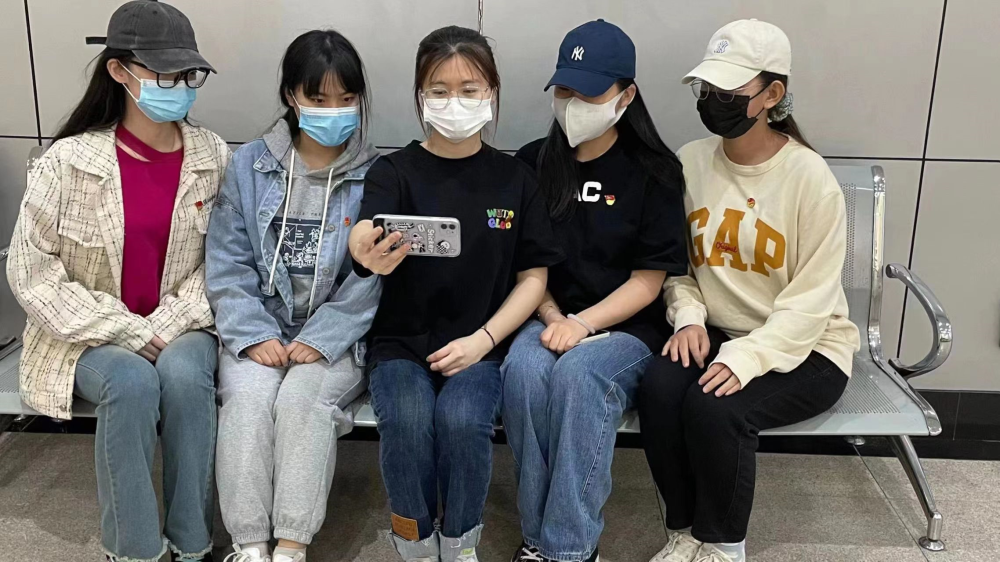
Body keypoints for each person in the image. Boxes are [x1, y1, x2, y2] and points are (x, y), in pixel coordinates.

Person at [6, 2, 227, 561]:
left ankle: (193, 544)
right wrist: (127, 330)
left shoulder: (212, 154)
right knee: (130, 382)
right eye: (164, 73)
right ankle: (134, 550)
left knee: (185, 375)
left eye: (188, 74)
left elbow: (226, 259)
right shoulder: (66, 161)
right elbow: (32, 272)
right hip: (85, 335)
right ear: (119, 71)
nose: (180, 86)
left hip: (184, 324)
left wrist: (165, 325)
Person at [638, 20, 861, 562]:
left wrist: (747, 358)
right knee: (660, 392)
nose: (712, 101)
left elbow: (811, 301)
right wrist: (688, 316)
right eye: (706, 89)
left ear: (772, 95)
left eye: (728, 91)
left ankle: (723, 545)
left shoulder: (809, 178)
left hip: (809, 346)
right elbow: (676, 265)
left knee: (717, 408)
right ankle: (685, 531)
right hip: (717, 330)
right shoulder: (691, 162)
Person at [347, 25, 563, 562]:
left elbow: (533, 278)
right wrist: (364, 248)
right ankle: (415, 542)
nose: (455, 102)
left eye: (470, 89)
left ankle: (461, 541)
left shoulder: (515, 178)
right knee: (407, 422)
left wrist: (482, 341)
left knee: (463, 423)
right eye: (439, 90)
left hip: (481, 345)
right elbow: (365, 228)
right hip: (401, 343)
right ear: (420, 96)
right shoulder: (394, 170)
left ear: (492, 92)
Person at [501, 20, 688, 562]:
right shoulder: (532, 164)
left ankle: (571, 550)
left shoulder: (655, 172)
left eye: (590, 93)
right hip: (546, 315)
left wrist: (582, 325)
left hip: (628, 330)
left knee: (581, 376)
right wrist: (554, 316)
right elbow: (526, 264)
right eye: (565, 90)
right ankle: (536, 539)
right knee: (524, 371)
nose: (573, 103)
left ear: (626, 96)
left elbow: (649, 281)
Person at [205, 30, 380, 562]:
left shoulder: (377, 175)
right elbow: (227, 261)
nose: (333, 111)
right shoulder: (248, 166)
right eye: (318, 99)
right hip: (259, 327)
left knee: (304, 402)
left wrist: (323, 338)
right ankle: (250, 546)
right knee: (248, 402)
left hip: (335, 337)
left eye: (346, 99)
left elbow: (372, 277)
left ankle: (290, 548)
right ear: (291, 96)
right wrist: (252, 333)